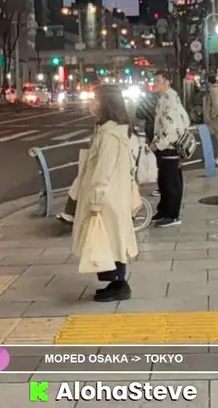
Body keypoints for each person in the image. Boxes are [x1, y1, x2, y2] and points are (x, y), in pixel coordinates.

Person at [71, 85, 140, 302]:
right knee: (111, 240)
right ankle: (116, 283)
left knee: (110, 241)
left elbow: (103, 170)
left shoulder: (110, 134)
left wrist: (95, 200)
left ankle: (119, 284)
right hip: (113, 196)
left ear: (106, 104)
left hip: (108, 198)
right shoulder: (112, 130)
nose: (92, 104)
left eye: (96, 100)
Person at [149, 69, 190, 227]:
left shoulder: (171, 100)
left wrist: (159, 143)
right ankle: (164, 211)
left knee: (171, 181)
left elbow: (173, 127)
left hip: (170, 146)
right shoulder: (164, 98)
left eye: (157, 81)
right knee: (164, 180)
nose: (155, 84)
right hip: (164, 146)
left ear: (166, 82)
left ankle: (172, 215)